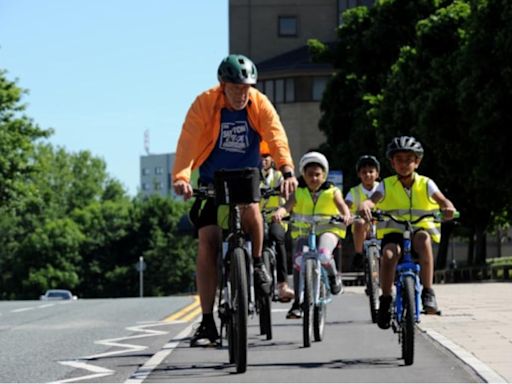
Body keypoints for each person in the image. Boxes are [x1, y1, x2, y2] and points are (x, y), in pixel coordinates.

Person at [172, 54, 298, 347]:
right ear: (222, 85)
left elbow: (276, 136)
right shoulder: (204, 103)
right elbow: (188, 140)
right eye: (236, 88)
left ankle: (255, 263)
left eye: (247, 87)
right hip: (211, 179)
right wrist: (181, 176)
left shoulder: (259, 103)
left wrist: (287, 170)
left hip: (246, 174)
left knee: (252, 207)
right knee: (208, 241)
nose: (242, 94)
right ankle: (206, 320)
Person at [359, 136, 456, 329]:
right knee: (388, 255)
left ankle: (428, 291)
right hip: (394, 231)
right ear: (392, 163)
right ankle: (386, 299)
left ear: (417, 162)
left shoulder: (426, 183)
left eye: (408, 160)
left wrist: (448, 207)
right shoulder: (386, 184)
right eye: (399, 160)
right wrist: (366, 204)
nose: (404, 164)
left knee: (423, 241)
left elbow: (443, 200)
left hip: (419, 228)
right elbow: (374, 199)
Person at [273, 151, 351, 319]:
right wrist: (280, 212)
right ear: (303, 175)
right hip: (304, 231)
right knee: (298, 260)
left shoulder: (332, 191)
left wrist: (346, 215)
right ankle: (298, 302)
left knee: (324, 255)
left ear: (324, 175)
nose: (314, 178)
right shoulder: (299, 191)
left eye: (317, 175)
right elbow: (287, 206)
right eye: (310, 175)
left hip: (327, 229)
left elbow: (342, 205)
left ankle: (332, 277)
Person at [259, 143, 294, 302]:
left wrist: (282, 210)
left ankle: (282, 285)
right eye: (260, 156)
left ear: (272, 159)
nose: (263, 160)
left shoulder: (279, 176)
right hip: (256, 219)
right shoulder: (252, 175)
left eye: (266, 156)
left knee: (277, 237)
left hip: (276, 218)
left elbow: (291, 196)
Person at [345, 155, 381, 271]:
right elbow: (346, 206)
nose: (368, 175)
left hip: (382, 227)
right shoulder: (354, 192)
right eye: (364, 172)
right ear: (359, 174)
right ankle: (359, 254)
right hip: (362, 231)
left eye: (371, 171)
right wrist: (346, 214)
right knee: (360, 222)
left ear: (377, 174)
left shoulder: (383, 188)